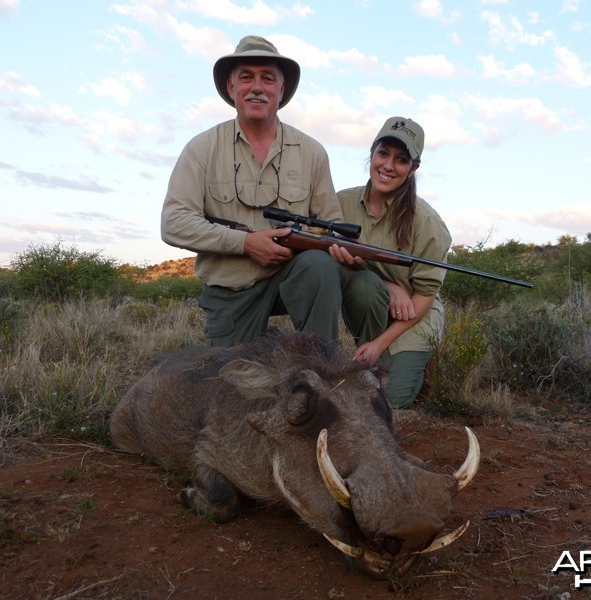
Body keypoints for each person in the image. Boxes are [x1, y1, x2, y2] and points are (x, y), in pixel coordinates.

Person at [161, 35, 346, 347]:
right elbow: (174, 223)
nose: (257, 87)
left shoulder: (313, 152)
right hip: (230, 290)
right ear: (232, 88)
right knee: (231, 388)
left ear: (281, 89)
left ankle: (321, 366)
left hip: (290, 280)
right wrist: (246, 244)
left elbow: (332, 223)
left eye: (268, 78)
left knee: (320, 267)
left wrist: (339, 247)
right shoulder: (201, 148)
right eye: (246, 77)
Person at [329, 117, 451, 409]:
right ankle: (373, 360)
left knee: (388, 402)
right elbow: (326, 256)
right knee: (365, 286)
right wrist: (389, 285)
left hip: (414, 318)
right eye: (383, 154)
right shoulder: (340, 203)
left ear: (414, 168)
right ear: (372, 153)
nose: (388, 166)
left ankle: (401, 361)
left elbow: (424, 295)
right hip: (372, 301)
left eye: (401, 160)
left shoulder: (428, 222)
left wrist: (379, 344)